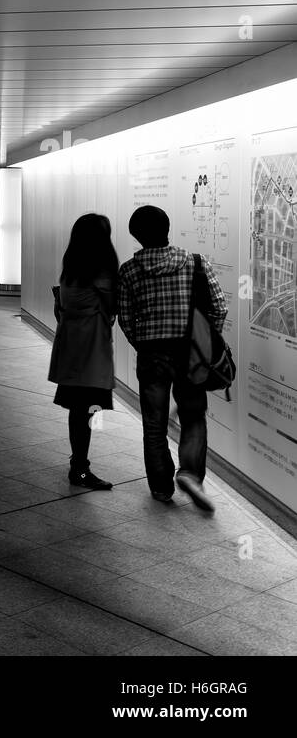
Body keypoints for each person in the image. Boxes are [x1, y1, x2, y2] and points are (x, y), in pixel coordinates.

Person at [117, 205, 227, 510]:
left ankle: (162, 488)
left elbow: (125, 319)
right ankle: (190, 473)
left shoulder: (128, 271)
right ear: (167, 228)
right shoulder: (195, 263)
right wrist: (204, 344)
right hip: (190, 354)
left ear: (136, 235)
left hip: (152, 355)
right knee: (193, 416)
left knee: (154, 425)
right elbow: (219, 307)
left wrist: (142, 344)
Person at [49, 214, 119, 490]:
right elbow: (113, 308)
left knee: (79, 410)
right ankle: (79, 468)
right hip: (91, 353)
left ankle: (78, 463)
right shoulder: (101, 274)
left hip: (71, 349)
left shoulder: (71, 270)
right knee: (87, 409)